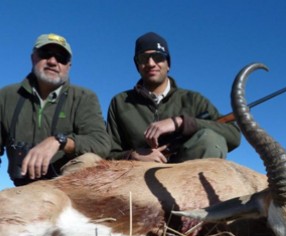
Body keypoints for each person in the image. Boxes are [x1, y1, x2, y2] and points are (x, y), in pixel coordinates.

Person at [107, 32, 241, 163]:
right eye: (143, 58)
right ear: (138, 66)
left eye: (158, 57)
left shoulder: (193, 99)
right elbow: (108, 153)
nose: (151, 63)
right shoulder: (119, 102)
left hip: (186, 173)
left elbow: (233, 135)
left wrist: (181, 123)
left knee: (210, 139)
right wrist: (133, 155)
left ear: (168, 64)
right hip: (136, 175)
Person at [0, 33, 110, 186]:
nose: (52, 61)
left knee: (91, 159)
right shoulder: (6, 96)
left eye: (61, 58)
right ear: (33, 58)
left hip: (69, 189)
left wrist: (60, 141)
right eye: (45, 54)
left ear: (68, 66)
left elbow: (101, 144)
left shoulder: (84, 97)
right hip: (23, 189)